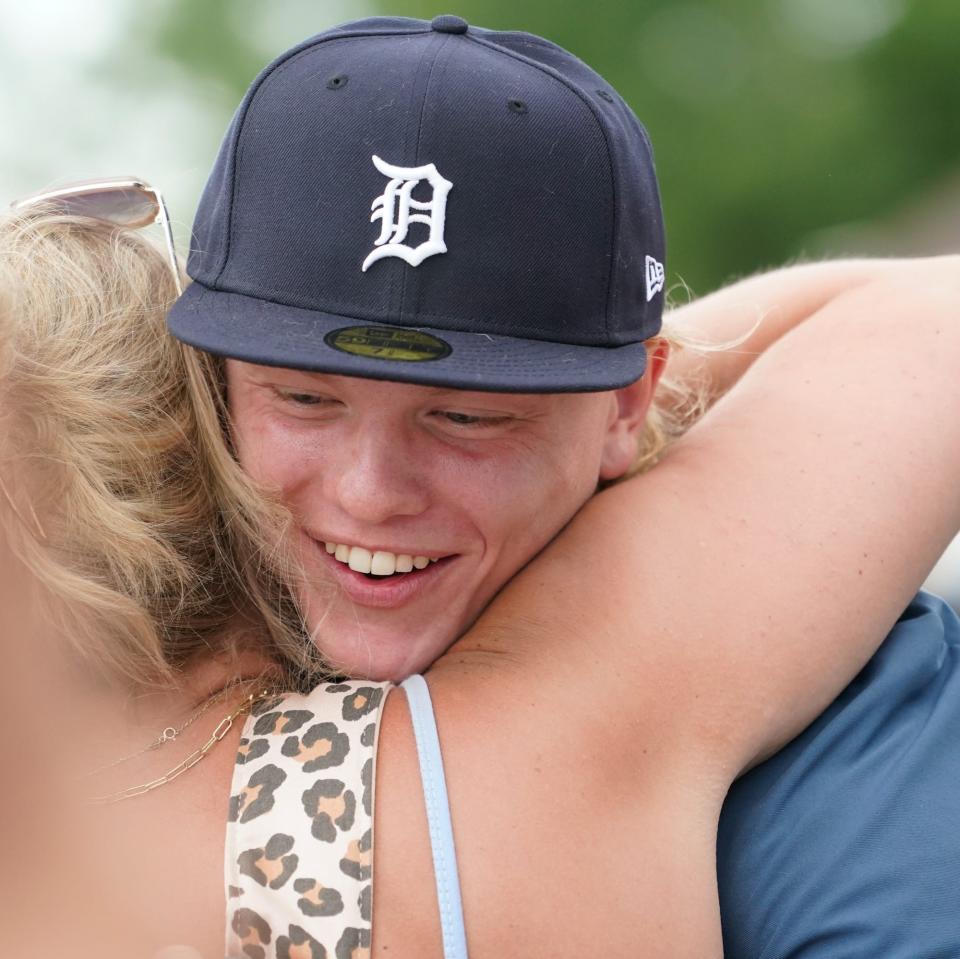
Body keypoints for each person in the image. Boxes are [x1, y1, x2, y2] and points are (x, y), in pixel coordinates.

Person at [5, 17, 959, 959]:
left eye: (468, 417)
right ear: (210, 405)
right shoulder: (557, 711)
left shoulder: (68, 863)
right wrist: (587, 399)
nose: (372, 492)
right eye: (301, 398)